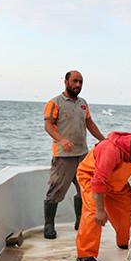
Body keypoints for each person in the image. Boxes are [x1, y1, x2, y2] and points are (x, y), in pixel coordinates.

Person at [43, 70, 104, 239]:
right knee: (56, 191)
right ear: (66, 81)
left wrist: (103, 140)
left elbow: (89, 123)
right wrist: (62, 140)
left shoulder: (83, 103)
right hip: (63, 156)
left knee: (85, 190)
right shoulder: (54, 102)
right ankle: (49, 226)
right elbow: (48, 126)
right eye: (75, 81)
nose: (78, 85)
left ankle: (80, 221)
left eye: (81, 82)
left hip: (83, 155)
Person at [75, 131, 131, 261]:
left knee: (127, 208)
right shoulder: (111, 150)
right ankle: (85, 254)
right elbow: (98, 181)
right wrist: (100, 210)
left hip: (115, 182)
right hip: (92, 178)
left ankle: (126, 240)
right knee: (93, 214)